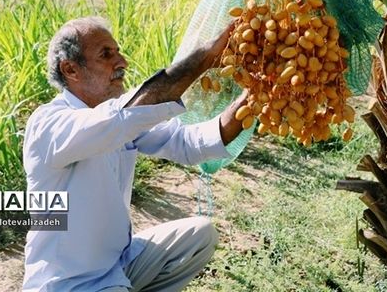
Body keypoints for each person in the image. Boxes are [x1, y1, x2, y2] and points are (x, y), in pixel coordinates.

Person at [22, 16, 247, 292]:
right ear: (70, 69)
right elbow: (123, 118)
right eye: (106, 55)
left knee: (199, 236)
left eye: (118, 52)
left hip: (118, 264)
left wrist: (251, 101)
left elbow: (187, 143)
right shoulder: (50, 124)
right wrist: (203, 58)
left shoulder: (116, 118)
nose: (122, 63)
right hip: (72, 283)